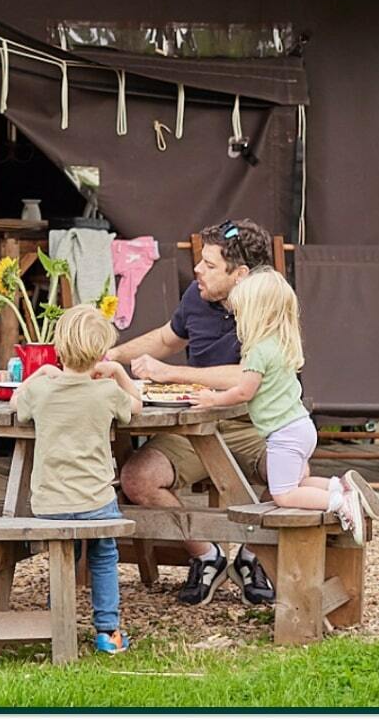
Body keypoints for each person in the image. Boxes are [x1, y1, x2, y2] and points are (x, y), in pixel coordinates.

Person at [107, 218, 275, 606]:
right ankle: (207, 555)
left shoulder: (268, 304)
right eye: (200, 260)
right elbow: (168, 337)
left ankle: (254, 555)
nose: (197, 269)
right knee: (137, 478)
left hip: (254, 421)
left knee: (292, 472)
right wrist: (112, 355)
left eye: (210, 265)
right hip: (195, 420)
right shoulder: (197, 297)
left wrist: (172, 373)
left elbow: (251, 374)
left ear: (241, 275)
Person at [190, 270, 379, 542]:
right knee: (298, 482)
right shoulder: (280, 344)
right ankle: (339, 485)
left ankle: (340, 502)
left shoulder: (258, 351)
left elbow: (244, 391)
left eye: (240, 312)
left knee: (283, 494)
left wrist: (213, 399)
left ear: (255, 314)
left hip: (284, 435)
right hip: (302, 427)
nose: (237, 319)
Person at [12, 306, 143, 654]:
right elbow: (136, 404)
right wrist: (116, 371)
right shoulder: (106, 393)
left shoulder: (43, 391)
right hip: (96, 500)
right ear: (100, 353)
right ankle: (108, 631)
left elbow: (16, 401)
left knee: (62, 557)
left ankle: (59, 621)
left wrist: (39, 373)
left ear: (58, 349)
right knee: (103, 557)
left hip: (50, 502)